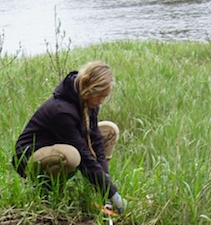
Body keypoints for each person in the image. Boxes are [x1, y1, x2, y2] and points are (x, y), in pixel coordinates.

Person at [13, 61, 126, 215]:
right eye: (99, 96)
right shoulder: (62, 111)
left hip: (60, 146)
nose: (101, 101)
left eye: (104, 97)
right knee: (72, 156)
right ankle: (47, 193)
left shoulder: (88, 101)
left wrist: (105, 180)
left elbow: (96, 140)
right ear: (89, 89)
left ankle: (98, 190)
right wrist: (111, 191)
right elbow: (84, 155)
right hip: (29, 157)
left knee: (110, 130)